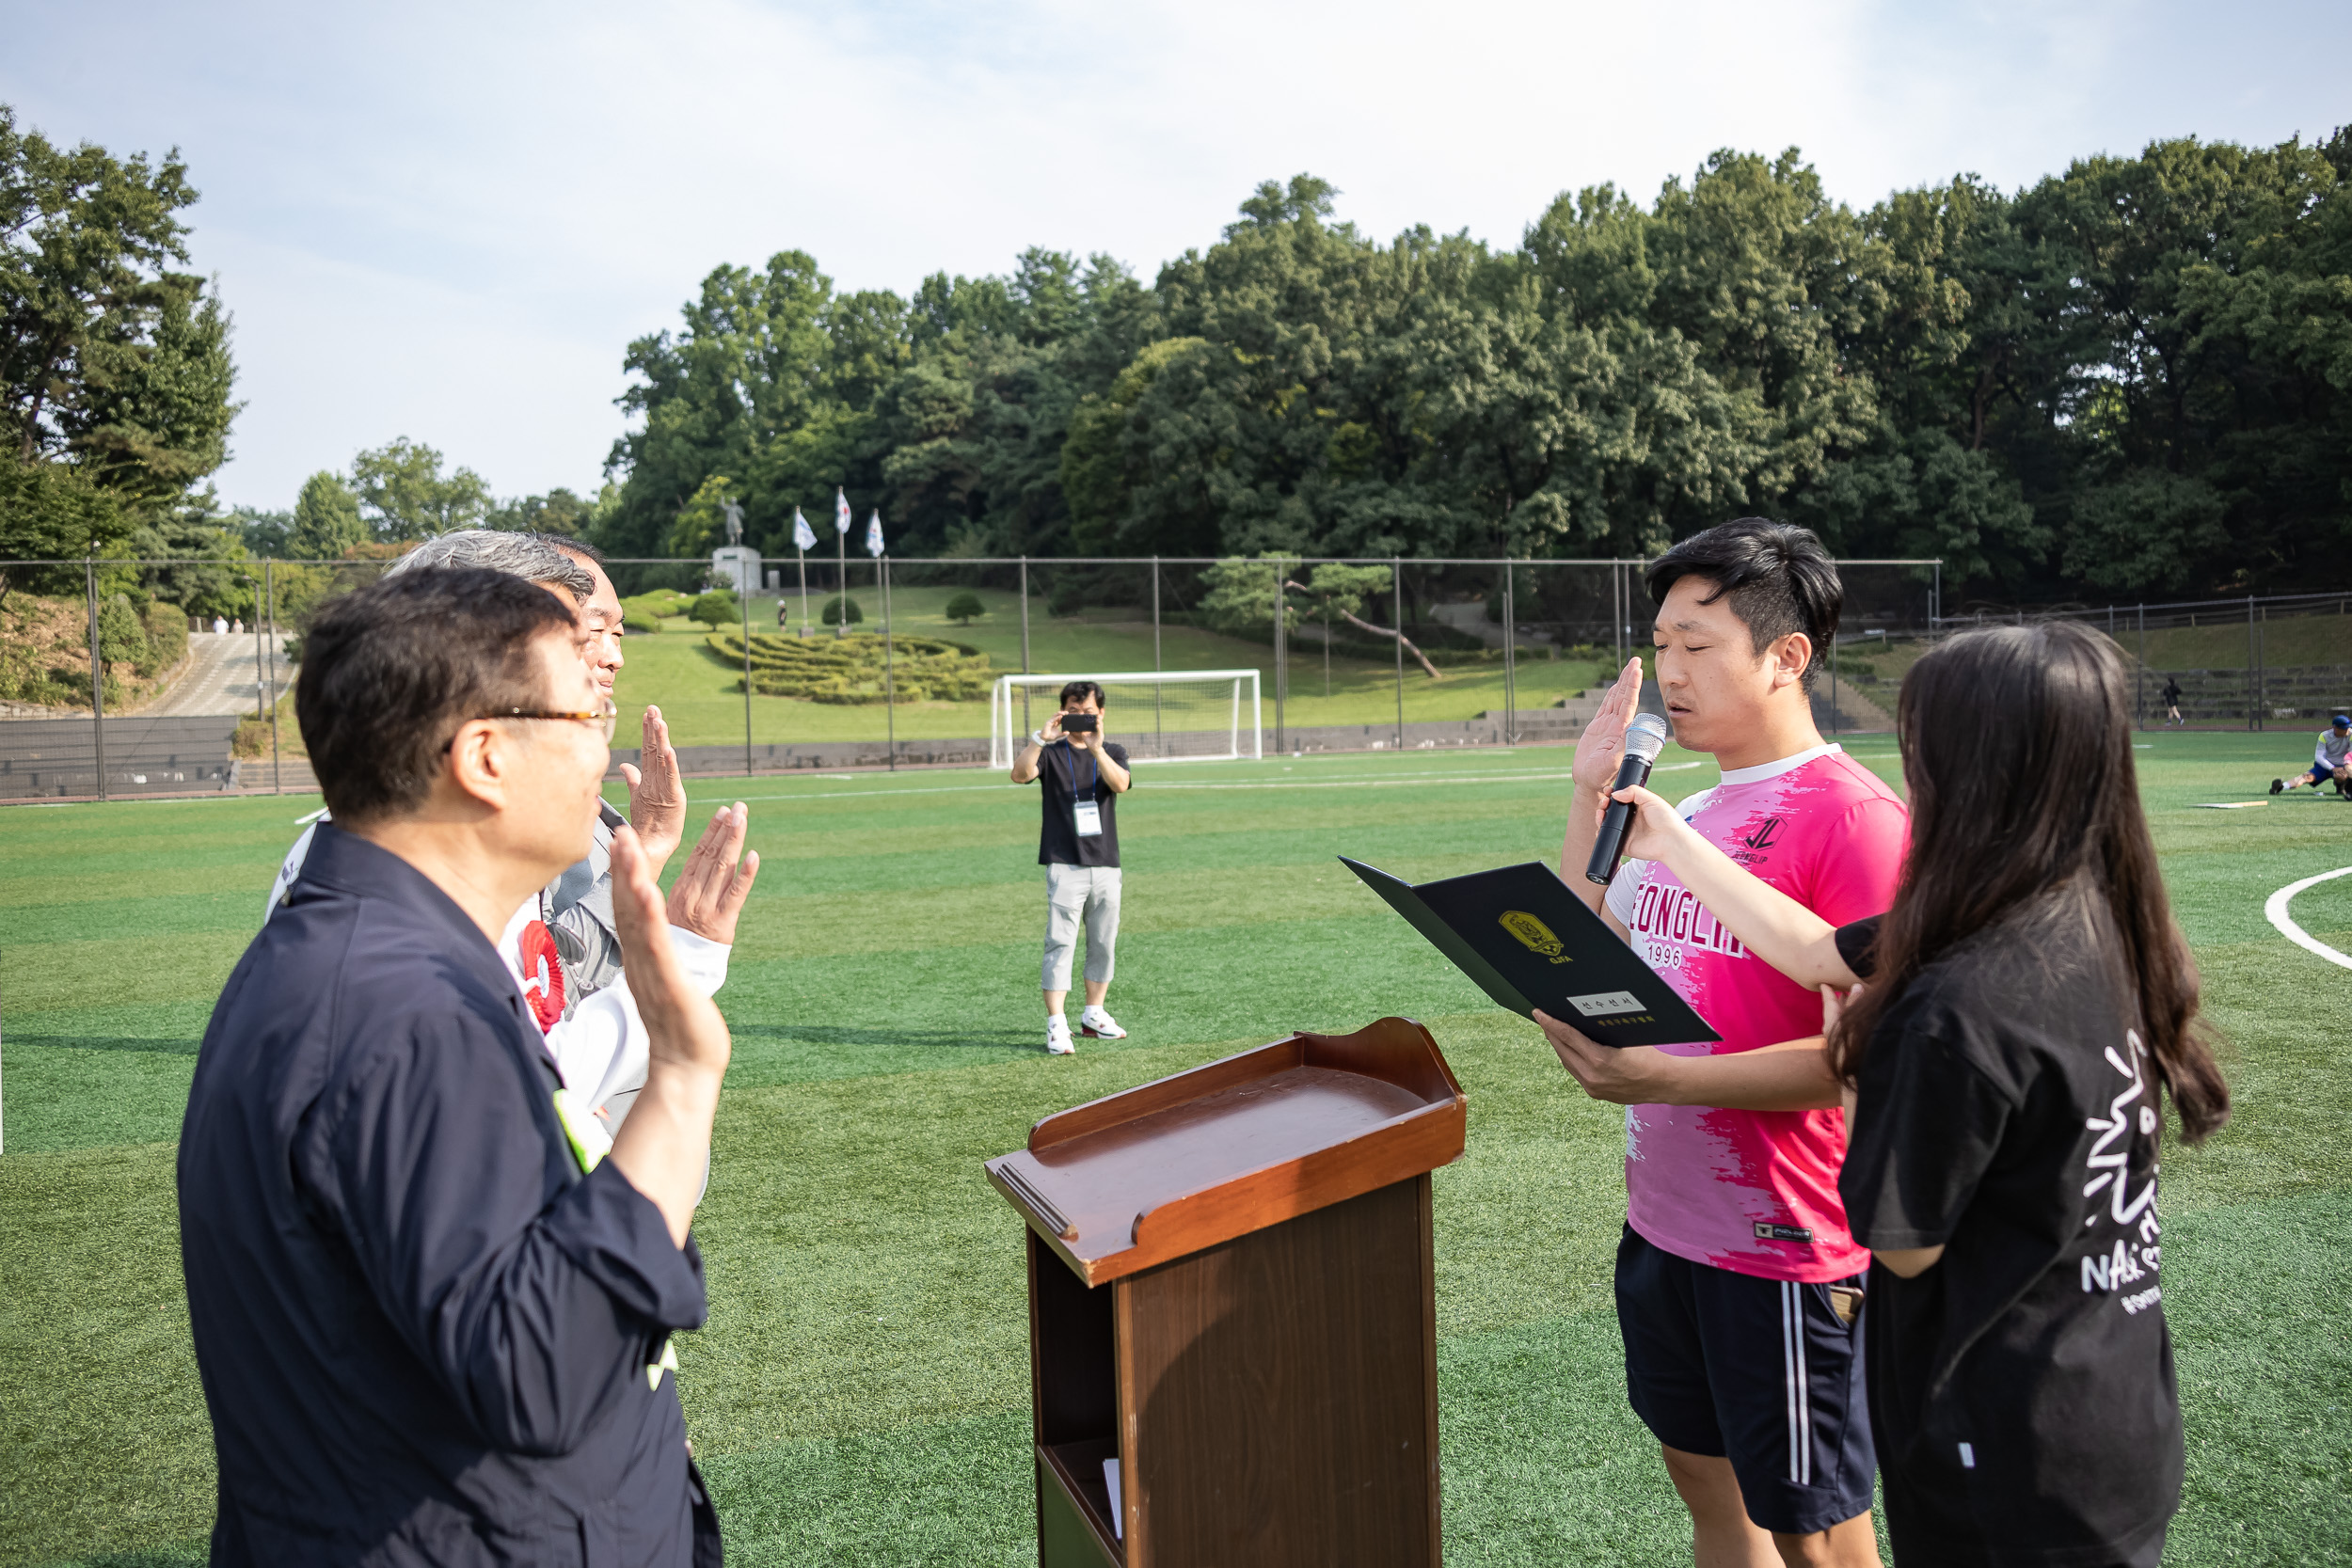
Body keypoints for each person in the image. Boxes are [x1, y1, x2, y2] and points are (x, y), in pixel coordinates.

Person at [1594, 622, 2230, 1565]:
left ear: (1968, 775)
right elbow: (1817, 947)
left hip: (2007, 1449)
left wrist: (1855, 1055)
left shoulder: (1954, 1006)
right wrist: (1675, 839)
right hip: (2114, 1402)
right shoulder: (2095, 923)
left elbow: (1899, 1240)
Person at [179, 569, 758, 1564]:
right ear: (484, 755)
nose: (602, 748)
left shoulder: (368, 956)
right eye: (583, 714)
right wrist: (679, 1074)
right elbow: (544, 1370)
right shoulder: (405, 1012)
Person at [1547, 518, 1907, 1568]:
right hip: (1665, 1228)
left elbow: (1864, 1064)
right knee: (1714, 1502)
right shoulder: (1689, 807)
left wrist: (1660, 1073)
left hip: (1788, 1248)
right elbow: (1592, 942)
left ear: (1786, 655)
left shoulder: (1857, 821)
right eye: (1661, 646)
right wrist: (1586, 791)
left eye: (1697, 645)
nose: (1671, 672)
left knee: (1820, 1537)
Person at [266, 530, 699, 1127]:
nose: (604, 658)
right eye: (576, 639)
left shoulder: (380, 892)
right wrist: (685, 998)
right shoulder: (399, 949)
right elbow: (527, 1088)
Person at [1009, 679, 1132, 1054]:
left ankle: (1093, 1013)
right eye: (1073, 713)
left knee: (1103, 943)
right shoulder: (1049, 752)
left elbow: (1121, 784)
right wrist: (1040, 738)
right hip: (1064, 862)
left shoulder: (1112, 750)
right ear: (1063, 712)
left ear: (1102, 713)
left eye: (1089, 713)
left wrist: (1096, 750)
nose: (1081, 719)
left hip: (1106, 863)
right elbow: (1019, 775)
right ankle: (1057, 1023)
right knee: (1060, 942)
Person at [2270, 711, 2351, 797]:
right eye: (2344, 729)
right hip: (2324, 766)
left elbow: (2351, 754)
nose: (2347, 730)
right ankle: (2280, 787)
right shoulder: (2325, 736)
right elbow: (2319, 756)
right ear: (2335, 728)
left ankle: (2341, 789)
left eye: (2348, 728)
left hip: (2343, 765)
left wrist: (2345, 767)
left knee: (2341, 776)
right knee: (2306, 777)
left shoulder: (2351, 734)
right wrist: (2332, 768)